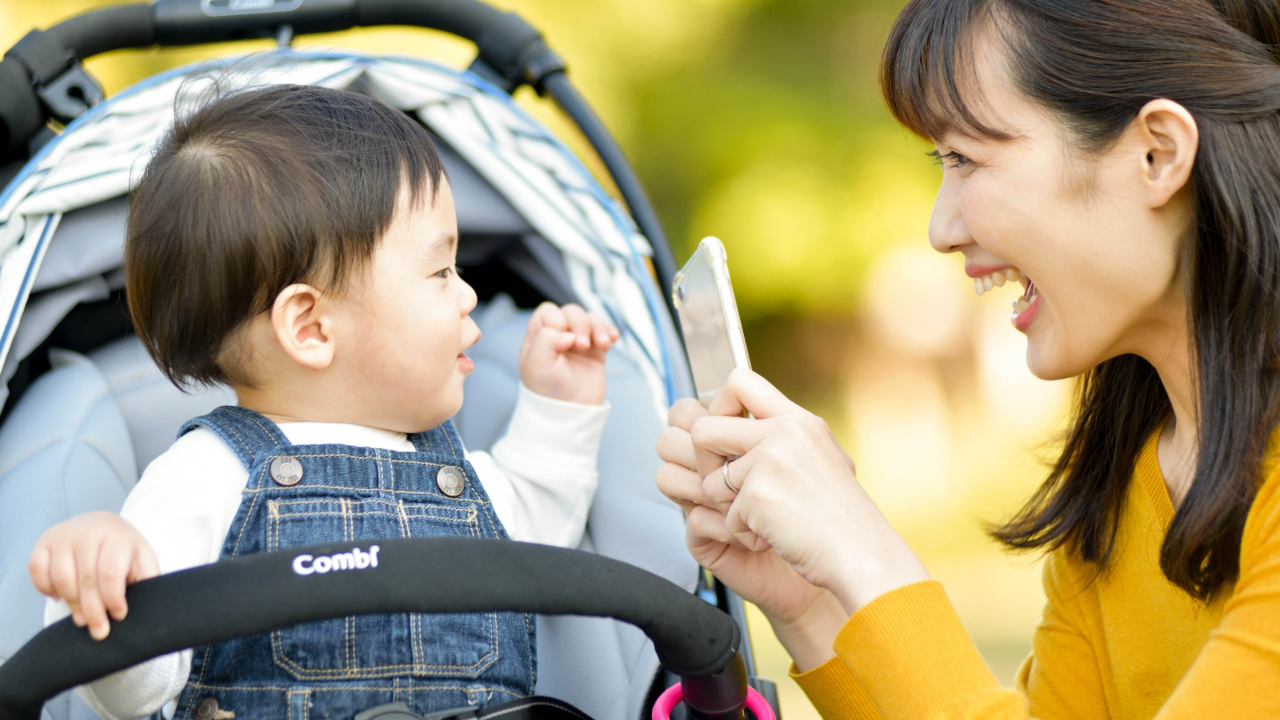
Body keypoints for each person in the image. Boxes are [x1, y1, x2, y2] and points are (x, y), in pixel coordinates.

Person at [657, 0, 1280, 717]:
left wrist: (863, 553)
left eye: (965, 158)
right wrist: (815, 605)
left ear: (1158, 153)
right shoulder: (1121, 500)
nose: (941, 228)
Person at [27, 82, 620, 720]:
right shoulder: (205, 480)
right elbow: (133, 689)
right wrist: (97, 589)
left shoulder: (458, 480)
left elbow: (541, 533)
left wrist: (560, 405)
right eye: (441, 271)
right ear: (311, 328)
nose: (468, 295)